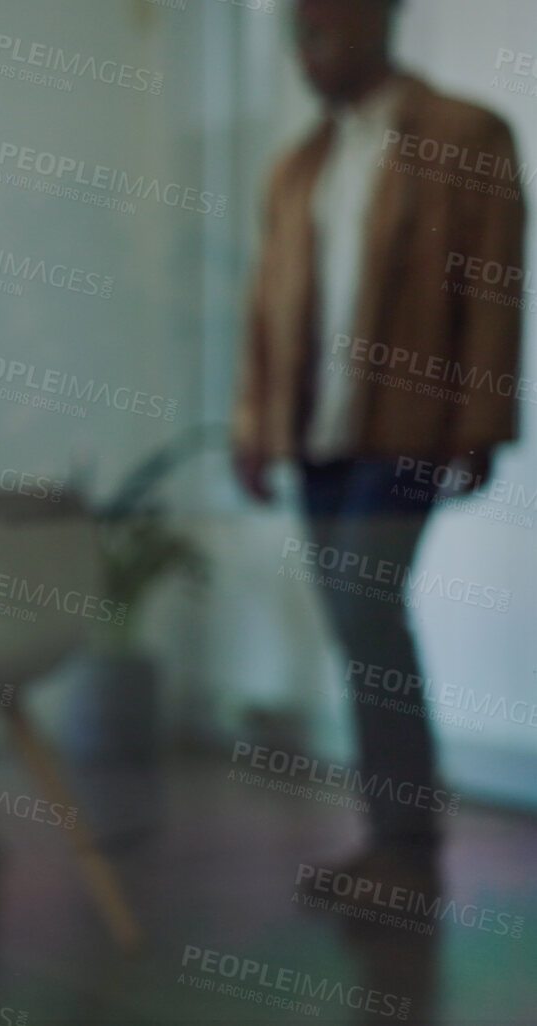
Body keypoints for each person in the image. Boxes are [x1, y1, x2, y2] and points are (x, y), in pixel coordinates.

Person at [233, 0, 524, 902]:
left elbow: (494, 284)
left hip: (406, 425)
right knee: (358, 628)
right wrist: (253, 426)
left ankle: (406, 844)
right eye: (297, 37)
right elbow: (264, 311)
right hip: (317, 438)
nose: (306, 54)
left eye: (321, 32)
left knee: (367, 611)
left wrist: (480, 420)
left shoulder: (464, 134)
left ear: (375, 23)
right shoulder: (297, 168)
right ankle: (391, 841)